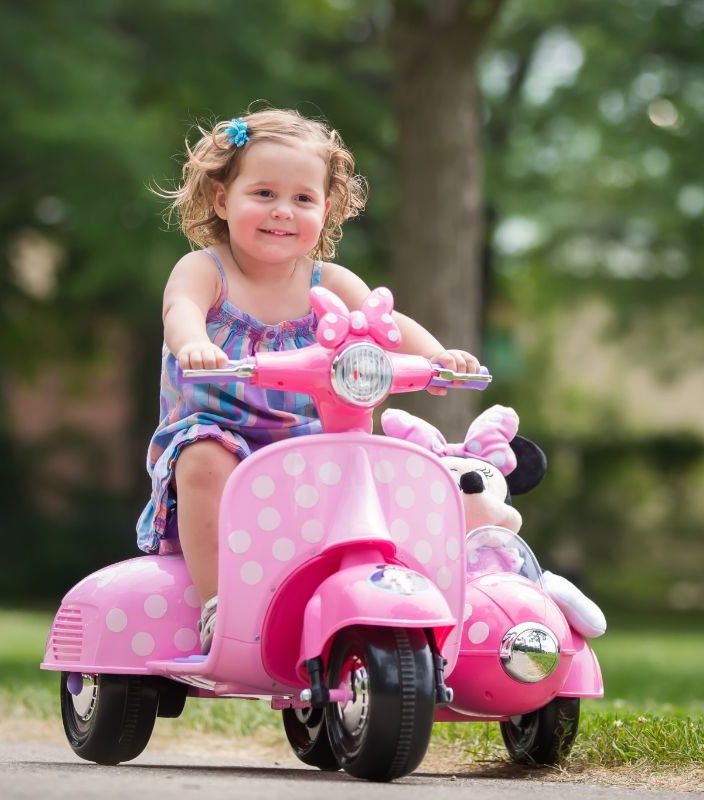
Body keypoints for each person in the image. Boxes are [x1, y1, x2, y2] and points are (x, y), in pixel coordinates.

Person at [136, 107, 480, 652]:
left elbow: (387, 324)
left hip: (309, 440)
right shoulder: (206, 270)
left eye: (302, 199)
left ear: (327, 209)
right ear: (224, 199)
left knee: (376, 466)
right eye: (264, 194)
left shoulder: (330, 282)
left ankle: (379, 598)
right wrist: (193, 344)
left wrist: (438, 358)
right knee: (203, 458)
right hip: (218, 432)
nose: (283, 212)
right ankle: (218, 606)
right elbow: (180, 310)